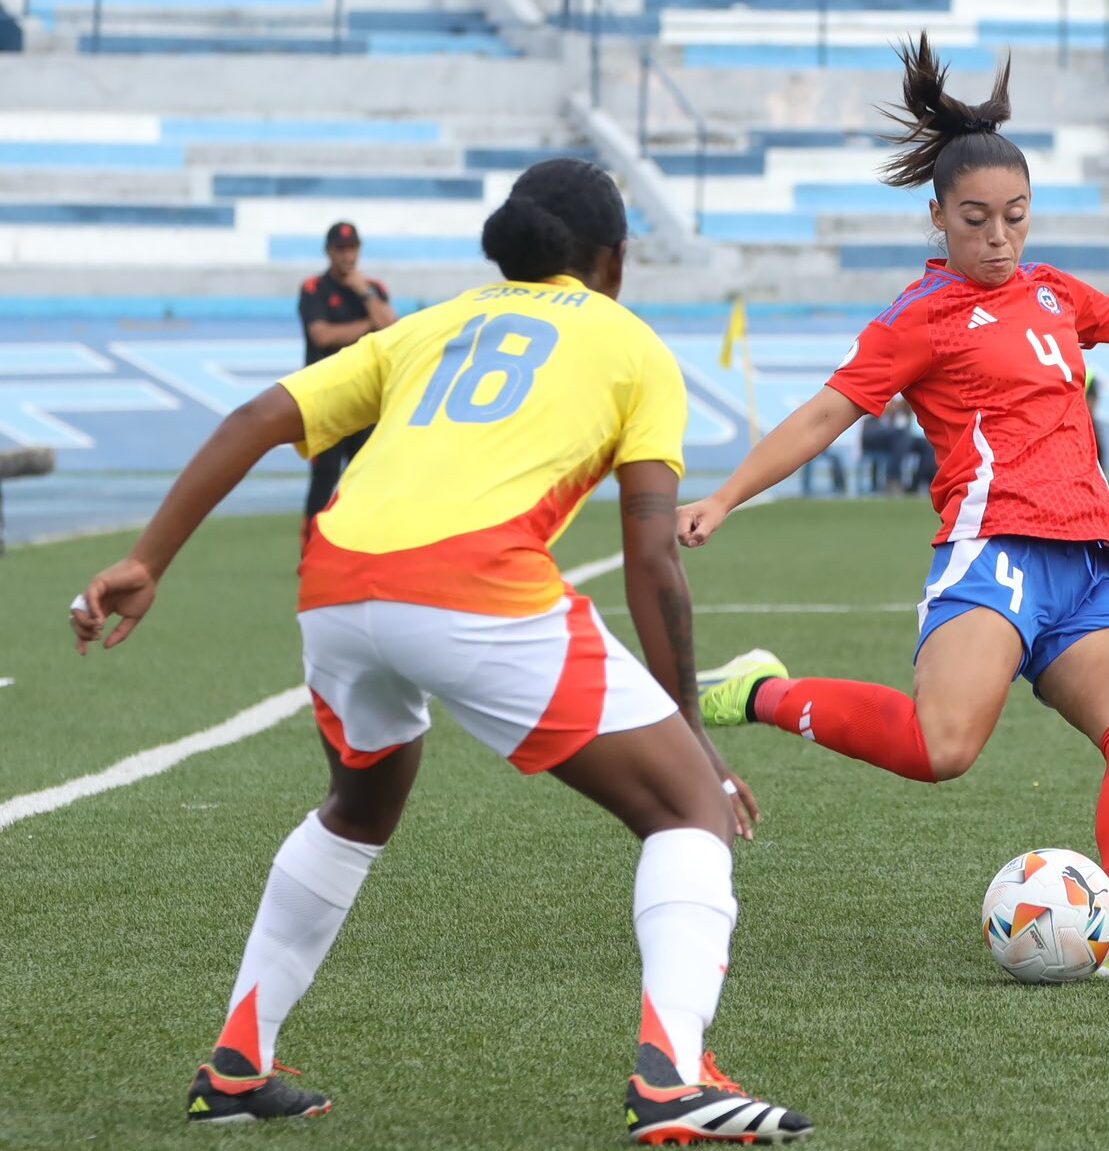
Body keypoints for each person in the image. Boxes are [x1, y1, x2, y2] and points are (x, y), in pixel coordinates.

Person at [67, 160, 813, 1144]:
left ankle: (238, 1060)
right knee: (683, 807)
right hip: (472, 586)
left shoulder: (430, 323)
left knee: (361, 800)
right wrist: (694, 737)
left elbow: (255, 418)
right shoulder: (633, 347)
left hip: (336, 581)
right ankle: (672, 1078)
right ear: (612, 258)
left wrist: (145, 560)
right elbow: (649, 559)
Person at [681, 35, 1109, 979]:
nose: (998, 238)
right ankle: (762, 688)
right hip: (994, 549)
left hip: (1090, 562)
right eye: (975, 220)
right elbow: (828, 411)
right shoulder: (920, 316)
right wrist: (724, 495)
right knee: (940, 747)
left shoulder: (1053, 294)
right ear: (938, 218)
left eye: (1015, 217)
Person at [298, 222, 396, 541]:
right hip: (325, 399)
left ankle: (361, 543)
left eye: (352, 248)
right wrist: (367, 326)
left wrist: (363, 293)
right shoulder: (314, 288)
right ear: (329, 252)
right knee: (323, 477)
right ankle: (310, 546)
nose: (347, 255)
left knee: (365, 476)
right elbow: (322, 335)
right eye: (341, 249)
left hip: (365, 400)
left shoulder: (373, 289)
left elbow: (391, 329)